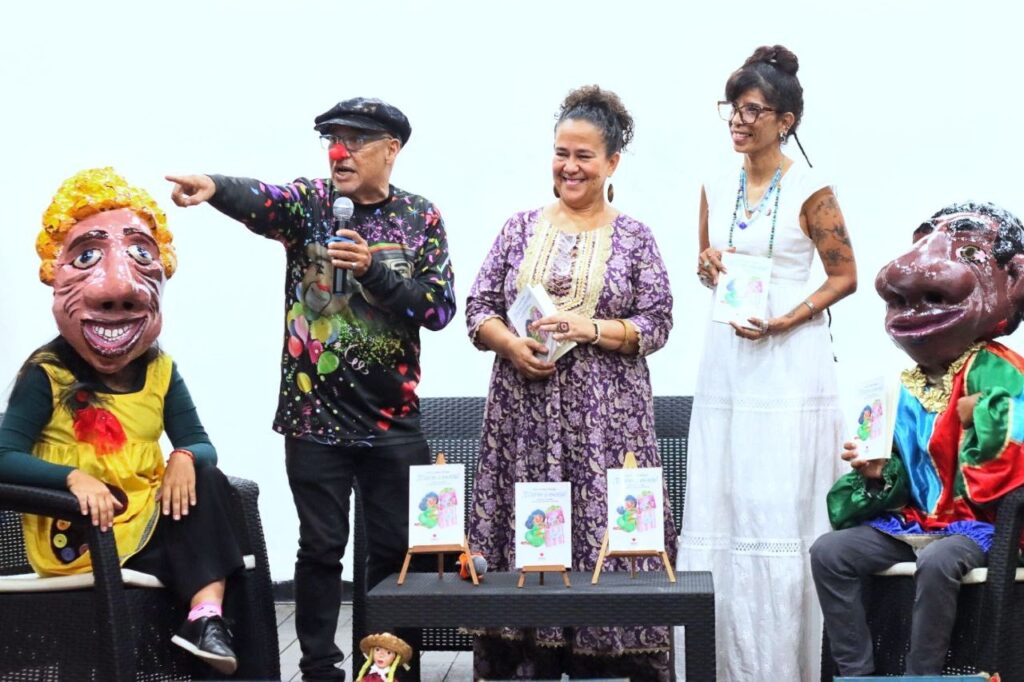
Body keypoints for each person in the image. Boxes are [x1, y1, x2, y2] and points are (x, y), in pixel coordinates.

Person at [166, 97, 456, 681]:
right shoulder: (311, 205)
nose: (339, 152)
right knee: (321, 548)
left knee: (396, 551)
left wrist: (374, 271)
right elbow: (263, 199)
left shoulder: (419, 216)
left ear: (391, 150)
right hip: (314, 418)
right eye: (332, 140)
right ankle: (320, 668)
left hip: (392, 421)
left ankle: (389, 669)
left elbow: (439, 309)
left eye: (355, 140)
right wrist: (214, 187)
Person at [465, 85, 676, 681]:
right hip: (523, 419)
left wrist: (591, 329)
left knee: (604, 528)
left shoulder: (634, 237)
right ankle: (525, 659)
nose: (570, 166)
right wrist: (511, 344)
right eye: (562, 153)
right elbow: (478, 307)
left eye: (584, 155)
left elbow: (658, 323)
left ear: (612, 162)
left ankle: (607, 660)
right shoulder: (518, 229)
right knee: (526, 531)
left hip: (606, 427)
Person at [0, 168, 245, 674]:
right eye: (86, 257)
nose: (118, 289)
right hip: (85, 537)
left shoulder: (160, 370)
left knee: (209, 479)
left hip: (148, 524)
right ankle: (205, 618)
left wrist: (185, 456)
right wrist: (71, 477)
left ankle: (206, 618)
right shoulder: (47, 374)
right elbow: (3, 455)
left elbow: (200, 442)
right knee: (219, 562)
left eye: (140, 255)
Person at [676, 45, 858, 681]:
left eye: (752, 110)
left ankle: (784, 666)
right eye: (732, 107)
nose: (738, 120)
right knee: (726, 500)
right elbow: (708, 264)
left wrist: (789, 318)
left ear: (786, 121)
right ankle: (724, 666)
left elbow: (845, 276)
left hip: (789, 362)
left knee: (776, 505)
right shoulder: (714, 180)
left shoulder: (812, 189)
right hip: (729, 356)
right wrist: (708, 267)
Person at [811, 202, 1024, 677]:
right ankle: (857, 673)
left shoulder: (999, 369)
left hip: (979, 527)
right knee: (830, 553)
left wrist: (979, 416)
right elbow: (906, 475)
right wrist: (877, 473)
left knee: (941, 561)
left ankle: (921, 675)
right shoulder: (907, 385)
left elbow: (1012, 448)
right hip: (916, 523)